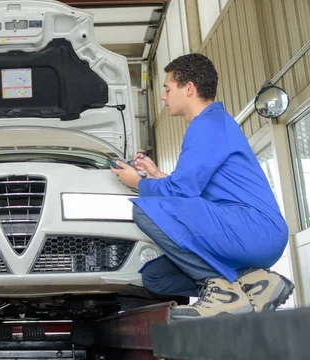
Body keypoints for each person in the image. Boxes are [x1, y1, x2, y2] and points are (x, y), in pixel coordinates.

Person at [111, 53, 294, 320]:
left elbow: (182, 192)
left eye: (167, 88)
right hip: (237, 229)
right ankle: (254, 283)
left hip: (254, 230)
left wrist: (138, 183)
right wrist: (157, 174)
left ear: (189, 88)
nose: (163, 96)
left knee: (144, 209)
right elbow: (192, 187)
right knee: (156, 278)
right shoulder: (211, 125)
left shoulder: (208, 125)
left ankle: (223, 294)